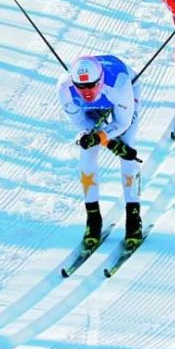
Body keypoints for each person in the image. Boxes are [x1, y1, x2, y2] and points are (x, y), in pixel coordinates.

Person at [57, 54, 143, 249]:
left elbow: (122, 122)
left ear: (100, 80)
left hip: (125, 92)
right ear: (73, 82)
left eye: (91, 85)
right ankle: (93, 219)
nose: (87, 92)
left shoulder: (119, 86)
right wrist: (104, 141)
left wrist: (106, 138)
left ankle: (133, 217)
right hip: (93, 108)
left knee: (128, 147)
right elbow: (81, 124)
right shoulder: (65, 89)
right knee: (87, 151)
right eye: (81, 87)